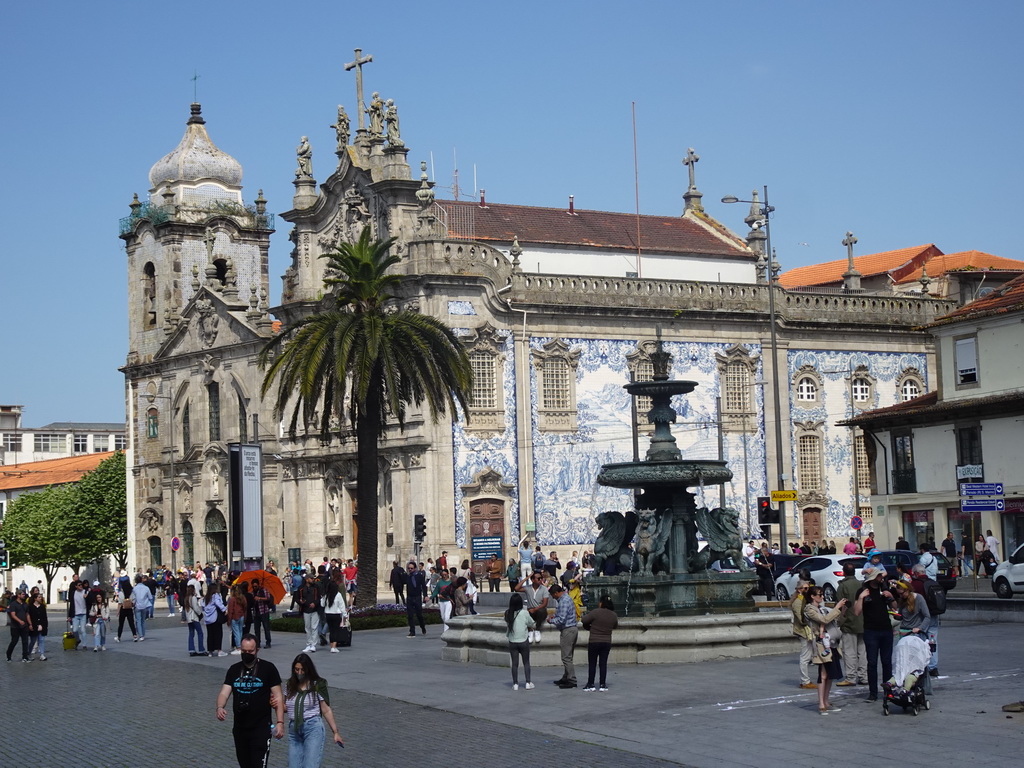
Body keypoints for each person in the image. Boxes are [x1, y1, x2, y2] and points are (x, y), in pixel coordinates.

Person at [217, 634, 286, 768]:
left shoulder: (268, 668)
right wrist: (220, 707)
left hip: (261, 729)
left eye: (250, 651)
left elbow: (278, 696)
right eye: (244, 651)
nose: (247, 654)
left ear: (257, 650)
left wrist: (280, 722)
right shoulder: (234, 669)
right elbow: (224, 693)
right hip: (240, 728)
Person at [281, 653, 344, 765]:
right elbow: (286, 707)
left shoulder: (317, 684)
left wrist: (335, 732)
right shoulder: (290, 684)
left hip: (312, 727)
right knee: (293, 765)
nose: (299, 673)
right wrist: (275, 704)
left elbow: (326, 710)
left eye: (302, 670)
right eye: (296, 669)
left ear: (308, 669)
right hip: (294, 729)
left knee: (310, 764)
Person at [854, 566, 896, 702]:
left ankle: (887, 691)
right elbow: (856, 612)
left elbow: (894, 607)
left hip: (886, 630)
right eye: (879, 577)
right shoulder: (863, 591)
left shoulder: (884, 590)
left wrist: (891, 596)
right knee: (872, 662)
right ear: (873, 578)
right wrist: (861, 598)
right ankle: (873, 692)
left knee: (887, 662)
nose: (881, 578)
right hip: (871, 631)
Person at [804, 586, 847, 715]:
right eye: (819, 595)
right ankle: (821, 703)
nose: (822, 597)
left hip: (830, 643)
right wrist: (837, 607)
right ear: (812, 596)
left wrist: (843, 610)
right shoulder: (810, 610)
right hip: (821, 644)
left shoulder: (822, 609)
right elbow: (824, 620)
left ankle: (826, 701)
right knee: (823, 674)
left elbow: (835, 620)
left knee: (830, 675)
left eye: (822, 595)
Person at [835, 561, 867, 687]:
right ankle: (864, 676)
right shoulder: (860, 584)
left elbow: (841, 605)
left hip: (849, 622)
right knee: (862, 651)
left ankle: (851, 677)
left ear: (844, 572)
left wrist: (840, 620)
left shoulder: (843, 586)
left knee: (849, 651)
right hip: (862, 621)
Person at [581, 595, 618, 692]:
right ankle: (602, 684)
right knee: (603, 663)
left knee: (592, 663)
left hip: (594, 641)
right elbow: (615, 626)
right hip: (606, 642)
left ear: (601, 603)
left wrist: (590, 627)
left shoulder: (596, 612)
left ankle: (591, 684)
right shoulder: (613, 615)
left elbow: (584, 620)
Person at [548, 582, 578, 689]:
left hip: (568, 630)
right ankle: (566, 677)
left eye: (553, 595)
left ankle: (572, 680)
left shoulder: (564, 601)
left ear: (556, 593)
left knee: (566, 657)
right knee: (568, 656)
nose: (553, 598)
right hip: (571, 629)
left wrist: (551, 620)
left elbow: (562, 619)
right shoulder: (566, 598)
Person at [504, 593, 535, 690]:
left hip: (512, 640)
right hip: (523, 640)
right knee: (526, 662)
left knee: (514, 664)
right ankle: (528, 682)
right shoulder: (524, 612)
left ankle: (515, 684)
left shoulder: (507, 613)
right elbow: (532, 623)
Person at [790, 580, 816, 689]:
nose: (807, 589)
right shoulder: (798, 601)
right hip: (803, 631)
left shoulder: (804, 600)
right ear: (799, 590)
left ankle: (805, 680)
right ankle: (805, 681)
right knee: (805, 657)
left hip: (807, 631)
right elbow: (801, 619)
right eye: (805, 588)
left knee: (807, 655)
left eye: (808, 587)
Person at [516, 570, 550, 644]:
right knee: (524, 613)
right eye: (538, 578)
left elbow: (545, 604)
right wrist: (526, 578)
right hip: (531, 611)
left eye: (541, 578)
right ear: (533, 580)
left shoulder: (544, 589)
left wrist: (535, 609)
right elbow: (516, 588)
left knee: (541, 611)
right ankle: (530, 631)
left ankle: (537, 630)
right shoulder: (528, 588)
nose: (540, 580)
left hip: (539, 610)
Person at [292, 574, 321, 653]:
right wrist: (301, 602)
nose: (313, 580)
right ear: (307, 579)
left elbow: (319, 598)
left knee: (314, 627)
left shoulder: (316, 587)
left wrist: (315, 603)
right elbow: (297, 598)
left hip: (314, 610)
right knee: (307, 628)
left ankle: (313, 645)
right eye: (311, 578)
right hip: (305, 609)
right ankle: (309, 644)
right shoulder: (301, 588)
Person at [323, 577, 349, 651]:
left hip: (328, 614)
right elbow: (342, 606)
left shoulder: (326, 595)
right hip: (336, 614)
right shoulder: (338, 595)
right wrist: (345, 615)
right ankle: (334, 647)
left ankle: (332, 646)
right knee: (336, 630)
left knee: (331, 630)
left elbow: (322, 604)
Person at [6, 591, 32, 662]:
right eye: (23, 594)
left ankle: (25, 657)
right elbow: (13, 615)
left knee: (25, 641)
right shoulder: (13, 604)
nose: (24, 596)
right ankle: (8, 655)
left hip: (24, 626)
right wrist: (19, 621)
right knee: (14, 641)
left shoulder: (25, 604)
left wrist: (30, 624)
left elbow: (27, 614)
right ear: (18, 595)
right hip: (15, 626)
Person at [403, 561, 427, 638]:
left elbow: (423, 586)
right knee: (410, 615)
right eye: (409, 568)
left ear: (415, 568)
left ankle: (422, 627)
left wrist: (425, 595)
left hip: (417, 597)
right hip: (410, 598)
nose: (410, 570)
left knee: (419, 614)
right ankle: (412, 631)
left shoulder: (419, 576)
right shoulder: (407, 576)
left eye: (411, 568)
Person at [184, 584, 207, 657]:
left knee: (191, 634)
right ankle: (201, 649)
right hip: (194, 617)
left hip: (189, 618)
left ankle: (191, 650)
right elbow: (196, 608)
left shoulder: (186, 598)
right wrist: (200, 614)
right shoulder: (193, 598)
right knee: (200, 633)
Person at [205, 584, 228, 657]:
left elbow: (203, 606)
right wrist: (225, 610)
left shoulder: (206, 597)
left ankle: (210, 651)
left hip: (208, 619)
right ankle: (219, 650)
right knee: (218, 634)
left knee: (210, 635)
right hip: (215, 618)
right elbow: (219, 604)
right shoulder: (215, 596)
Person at [250, 578, 273, 650]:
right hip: (256, 612)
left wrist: (259, 598)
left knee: (266, 628)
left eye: (256, 586)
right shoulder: (252, 592)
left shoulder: (264, 590)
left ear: (258, 585)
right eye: (253, 586)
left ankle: (268, 642)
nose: (254, 588)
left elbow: (268, 598)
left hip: (264, 611)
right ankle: (258, 643)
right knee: (256, 629)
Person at [131, 575, 153, 641]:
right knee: (143, 620)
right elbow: (150, 597)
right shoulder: (146, 588)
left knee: (138, 620)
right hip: (144, 605)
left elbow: (133, 598)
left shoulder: (134, 589)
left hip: (137, 605)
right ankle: (143, 634)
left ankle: (140, 635)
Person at [68, 579, 88, 649]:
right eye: (79, 585)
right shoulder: (73, 593)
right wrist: (69, 616)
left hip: (83, 613)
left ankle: (84, 645)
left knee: (83, 630)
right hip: (75, 614)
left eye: (81, 585)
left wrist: (87, 597)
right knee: (74, 630)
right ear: (76, 586)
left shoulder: (85, 592)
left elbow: (91, 600)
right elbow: (71, 605)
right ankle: (78, 640)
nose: (81, 586)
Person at [28, 592, 48, 660]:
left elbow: (45, 617)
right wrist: (30, 625)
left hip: (42, 625)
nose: (41, 598)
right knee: (33, 641)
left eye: (41, 597)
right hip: (34, 626)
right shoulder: (30, 607)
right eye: (39, 597)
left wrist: (45, 625)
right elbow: (29, 617)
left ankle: (42, 654)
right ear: (35, 599)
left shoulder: (42, 606)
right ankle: (29, 654)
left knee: (41, 640)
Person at [227, 584, 247, 654]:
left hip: (234, 617)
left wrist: (229, 619)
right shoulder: (243, 598)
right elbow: (245, 608)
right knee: (240, 631)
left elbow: (230, 610)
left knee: (236, 633)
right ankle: (241, 645)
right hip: (241, 616)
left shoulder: (232, 599)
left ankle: (239, 647)